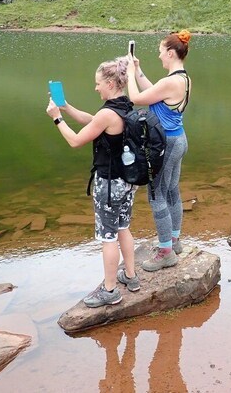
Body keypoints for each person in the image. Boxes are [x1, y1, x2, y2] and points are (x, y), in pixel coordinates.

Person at [46, 57, 141, 307]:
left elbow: (76, 140)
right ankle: (131, 277)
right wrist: (65, 106)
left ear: (110, 83)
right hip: (128, 181)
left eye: (98, 83)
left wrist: (57, 118)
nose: (95, 88)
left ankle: (109, 291)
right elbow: (92, 121)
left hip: (109, 184)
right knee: (123, 227)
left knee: (108, 236)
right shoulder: (126, 105)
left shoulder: (108, 113)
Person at [126, 30, 192, 271]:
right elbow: (154, 95)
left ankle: (165, 252)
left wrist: (130, 74)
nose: (159, 56)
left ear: (171, 53)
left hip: (166, 144)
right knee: (171, 188)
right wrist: (139, 70)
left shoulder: (170, 81)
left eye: (161, 52)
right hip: (179, 140)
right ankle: (174, 241)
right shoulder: (182, 78)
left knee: (156, 194)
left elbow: (136, 97)